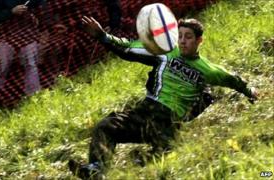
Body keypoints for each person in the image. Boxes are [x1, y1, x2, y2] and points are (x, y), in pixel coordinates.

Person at [68, 16, 258, 179]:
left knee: (151, 163)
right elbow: (128, 49)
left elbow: (234, 80)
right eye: (180, 36)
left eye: (188, 37)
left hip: (168, 124)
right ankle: (97, 169)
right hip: (145, 113)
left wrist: (251, 92)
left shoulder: (208, 70)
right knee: (106, 126)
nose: (183, 41)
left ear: (200, 41)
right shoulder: (165, 52)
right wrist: (103, 36)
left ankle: (159, 151)